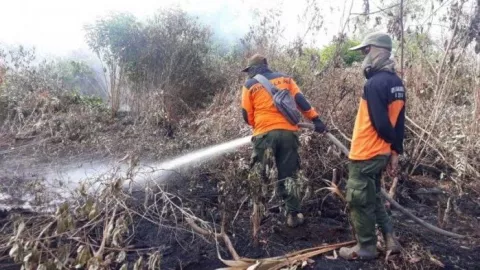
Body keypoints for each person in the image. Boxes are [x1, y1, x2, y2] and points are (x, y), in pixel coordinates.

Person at [241, 54, 328, 228]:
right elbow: (300, 101)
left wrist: (258, 126)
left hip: (264, 134)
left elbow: (246, 114)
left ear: (253, 69)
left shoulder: (249, 84)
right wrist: (316, 119)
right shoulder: (286, 79)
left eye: (249, 70)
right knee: (289, 174)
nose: (248, 74)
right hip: (289, 133)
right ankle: (292, 216)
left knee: (259, 174)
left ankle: (256, 215)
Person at [339, 32, 405, 260]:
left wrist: (387, 143)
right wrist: (394, 152)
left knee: (359, 198)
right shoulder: (396, 83)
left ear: (378, 50)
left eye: (366, 51)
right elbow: (400, 125)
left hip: (366, 154)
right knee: (375, 196)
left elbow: (382, 124)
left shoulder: (374, 83)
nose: (363, 57)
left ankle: (365, 247)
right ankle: (390, 240)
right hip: (381, 153)